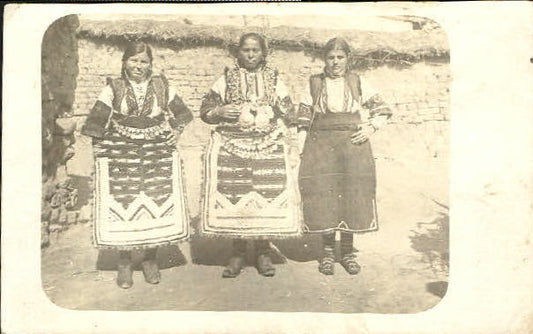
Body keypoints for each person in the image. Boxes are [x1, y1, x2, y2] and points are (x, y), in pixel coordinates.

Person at [81, 41, 193, 288]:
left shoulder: (162, 86)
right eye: (134, 60)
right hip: (122, 151)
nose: (138, 66)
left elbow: (184, 113)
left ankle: (151, 259)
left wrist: (177, 130)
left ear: (151, 65)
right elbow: (96, 121)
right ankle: (124, 262)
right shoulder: (114, 88)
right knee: (125, 200)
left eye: (144, 62)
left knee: (155, 199)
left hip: (157, 150)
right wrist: (98, 149)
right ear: (124, 62)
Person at [200, 33, 302, 278]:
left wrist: (276, 110)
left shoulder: (274, 79)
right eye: (246, 50)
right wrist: (220, 110)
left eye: (256, 50)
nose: (251, 55)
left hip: (267, 145)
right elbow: (205, 111)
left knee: (265, 193)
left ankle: (262, 252)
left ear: (263, 53)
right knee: (236, 193)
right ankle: (237, 252)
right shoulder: (225, 79)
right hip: (233, 146)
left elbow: (289, 111)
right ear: (238, 52)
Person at [294, 37, 392, 275]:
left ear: (348, 59)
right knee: (323, 194)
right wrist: (300, 148)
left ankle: (347, 253)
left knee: (352, 194)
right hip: (320, 147)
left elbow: (383, 110)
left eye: (340, 57)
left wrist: (370, 128)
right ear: (324, 60)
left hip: (352, 146)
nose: (335, 62)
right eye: (331, 57)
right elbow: (302, 120)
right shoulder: (314, 83)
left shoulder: (358, 82)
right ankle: (326, 253)